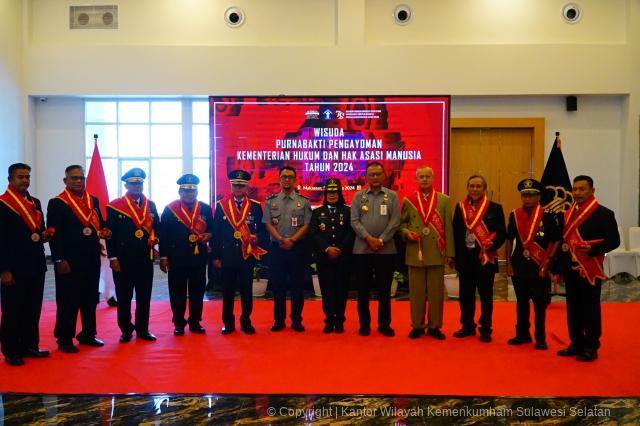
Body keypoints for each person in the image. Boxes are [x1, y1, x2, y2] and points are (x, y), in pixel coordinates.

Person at [47, 165, 111, 353]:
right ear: (65, 180)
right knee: (68, 300)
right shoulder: (57, 202)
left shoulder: (94, 201)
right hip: (69, 260)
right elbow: (54, 234)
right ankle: (64, 338)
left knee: (90, 299)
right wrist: (59, 259)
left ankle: (88, 334)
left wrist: (105, 231)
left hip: (91, 258)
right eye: (73, 178)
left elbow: (99, 224)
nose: (78, 181)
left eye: (81, 178)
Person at [557, 175, 619, 361]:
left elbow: (614, 241)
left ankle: (591, 345)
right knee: (573, 307)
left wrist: (592, 249)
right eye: (575, 189)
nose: (577, 193)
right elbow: (563, 243)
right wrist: (560, 268)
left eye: (582, 189)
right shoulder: (567, 214)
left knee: (590, 308)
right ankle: (575, 342)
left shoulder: (604, 214)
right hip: (571, 268)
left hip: (590, 269)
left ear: (592, 191)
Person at [0, 163, 51, 366]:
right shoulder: (3, 204)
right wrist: (4, 270)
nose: (25, 180)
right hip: (13, 267)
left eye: (27, 177)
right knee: (12, 310)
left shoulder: (35, 202)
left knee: (32, 308)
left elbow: (39, 231)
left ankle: (30, 346)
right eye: (20, 177)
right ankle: (11, 350)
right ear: (10, 179)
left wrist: (45, 235)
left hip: (36, 264)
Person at [505, 178, 561, 350]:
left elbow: (556, 240)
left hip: (539, 266)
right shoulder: (515, 215)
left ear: (538, 196)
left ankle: (540, 337)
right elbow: (509, 239)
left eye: (531, 195)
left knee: (539, 305)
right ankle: (522, 334)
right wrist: (508, 262)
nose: (527, 198)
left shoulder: (549, 216)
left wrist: (549, 263)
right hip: (520, 265)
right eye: (524, 195)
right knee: (521, 302)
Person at [399, 166, 454, 340]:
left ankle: (434, 326)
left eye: (427, 176)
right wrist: (407, 233)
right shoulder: (408, 200)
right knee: (416, 293)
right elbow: (402, 225)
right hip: (416, 251)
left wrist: (450, 253)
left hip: (437, 251)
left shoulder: (444, 200)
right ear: (416, 179)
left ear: (433, 178)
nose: (424, 179)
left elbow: (448, 228)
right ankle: (417, 326)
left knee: (436, 293)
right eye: (421, 176)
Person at [106, 168, 160, 343]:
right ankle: (126, 329)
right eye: (133, 183)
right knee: (124, 297)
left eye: (140, 183)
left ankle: (143, 329)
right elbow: (110, 234)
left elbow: (156, 228)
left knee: (144, 296)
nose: (137, 186)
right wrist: (113, 258)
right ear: (126, 185)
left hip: (145, 258)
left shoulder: (150, 205)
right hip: (123, 260)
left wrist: (155, 238)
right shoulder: (115, 206)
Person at [212, 170, 267, 334]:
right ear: (231, 185)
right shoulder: (222, 206)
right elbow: (216, 233)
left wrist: (258, 238)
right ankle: (228, 323)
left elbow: (263, 230)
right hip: (227, 256)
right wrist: (215, 256)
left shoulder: (255, 207)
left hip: (246, 255)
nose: (238, 188)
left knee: (246, 290)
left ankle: (246, 321)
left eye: (241, 185)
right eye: (235, 185)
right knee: (227, 291)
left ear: (246, 187)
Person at [452, 174, 506, 343]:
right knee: (465, 295)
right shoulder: (460, 207)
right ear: (467, 188)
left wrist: (493, 244)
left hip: (485, 259)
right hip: (465, 259)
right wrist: (454, 257)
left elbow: (502, 233)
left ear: (484, 189)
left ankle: (485, 328)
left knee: (486, 296)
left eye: (478, 186)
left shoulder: (495, 208)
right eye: (472, 186)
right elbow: (455, 233)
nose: (474, 189)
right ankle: (467, 326)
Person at [159, 174, 214, 336]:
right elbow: (164, 235)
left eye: (193, 191)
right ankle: (179, 323)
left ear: (196, 192)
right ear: (180, 192)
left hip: (198, 258)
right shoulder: (170, 210)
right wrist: (163, 257)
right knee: (177, 292)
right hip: (177, 258)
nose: (189, 194)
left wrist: (208, 236)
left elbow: (212, 230)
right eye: (186, 190)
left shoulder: (204, 208)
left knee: (197, 291)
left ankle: (195, 321)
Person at [350, 162, 400, 337]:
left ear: (384, 175)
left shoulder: (393, 196)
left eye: (378, 174)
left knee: (384, 290)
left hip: (385, 251)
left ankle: (384, 324)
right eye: (371, 174)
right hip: (362, 250)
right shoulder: (358, 197)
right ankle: (364, 324)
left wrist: (381, 240)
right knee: (362, 290)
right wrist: (369, 239)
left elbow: (395, 222)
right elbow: (354, 221)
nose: (375, 177)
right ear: (366, 177)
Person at [262, 166, 311, 332]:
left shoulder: (304, 201)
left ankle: (297, 320)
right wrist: (281, 239)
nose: (287, 179)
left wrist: (292, 240)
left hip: (297, 248)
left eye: (290, 177)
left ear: (295, 180)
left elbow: (306, 225)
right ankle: (279, 320)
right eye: (284, 177)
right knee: (278, 286)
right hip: (277, 248)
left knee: (297, 286)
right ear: (279, 179)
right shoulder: (271, 201)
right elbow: (267, 224)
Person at [309, 178, 354, 333]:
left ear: (340, 193)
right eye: (329, 192)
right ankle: (329, 320)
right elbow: (313, 234)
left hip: (343, 258)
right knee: (327, 289)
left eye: (335, 192)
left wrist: (340, 249)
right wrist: (327, 248)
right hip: (324, 258)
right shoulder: (317, 212)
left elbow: (351, 233)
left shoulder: (348, 211)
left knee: (341, 289)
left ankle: (340, 320)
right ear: (325, 193)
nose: (332, 195)